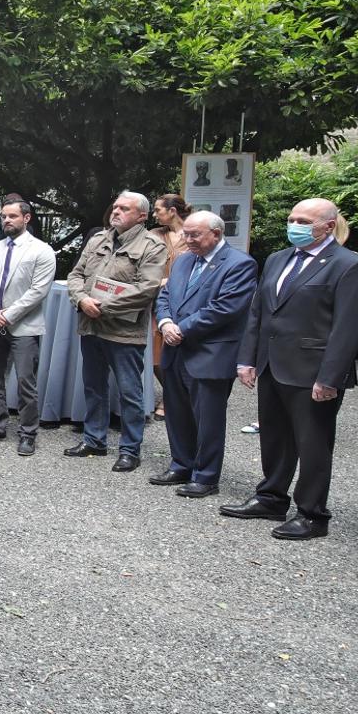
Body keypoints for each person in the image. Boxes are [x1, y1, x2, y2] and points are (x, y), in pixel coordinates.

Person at [224, 198, 358, 540]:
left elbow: (348, 328)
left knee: (313, 445)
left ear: (327, 225)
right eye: (292, 218)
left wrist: (330, 376)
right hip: (272, 364)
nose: (294, 224)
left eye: (304, 220)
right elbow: (259, 312)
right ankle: (271, 497)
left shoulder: (350, 265)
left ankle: (312, 514)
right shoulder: (279, 259)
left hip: (313, 370)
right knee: (276, 438)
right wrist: (247, 358)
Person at [150, 211, 259, 499]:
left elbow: (226, 308)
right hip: (176, 350)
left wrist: (181, 328)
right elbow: (165, 295)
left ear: (217, 234)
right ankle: (181, 464)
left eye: (195, 235)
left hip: (210, 353)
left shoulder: (239, 264)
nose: (187, 240)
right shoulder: (184, 260)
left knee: (208, 419)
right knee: (177, 413)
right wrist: (165, 322)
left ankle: (206, 475)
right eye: (185, 233)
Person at [62, 191, 170, 472]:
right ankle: (94, 440)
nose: (116, 211)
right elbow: (75, 275)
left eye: (124, 208)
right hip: (91, 325)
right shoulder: (99, 239)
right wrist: (82, 300)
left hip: (124, 331)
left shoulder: (152, 246)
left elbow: (147, 288)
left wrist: (104, 306)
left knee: (129, 392)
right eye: (116, 206)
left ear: (142, 216)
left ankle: (130, 450)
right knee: (93, 387)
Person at [0, 201, 56, 455]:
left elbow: (38, 291)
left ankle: (28, 433)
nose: (6, 220)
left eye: (12, 216)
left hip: (24, 326)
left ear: (27, 218)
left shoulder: (42, 250)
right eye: (4, 216)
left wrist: (7, 315)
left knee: (25, 382)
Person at [151, 193, 192, 418]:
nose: (154, 214)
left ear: (172, 211)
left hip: (187, 298)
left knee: (181, 346)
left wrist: (174, 281)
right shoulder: (154, 234)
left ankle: (183, 394)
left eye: (158, 210)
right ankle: (171, 392)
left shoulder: (193, 234)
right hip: (157, 297)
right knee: (156, 353)